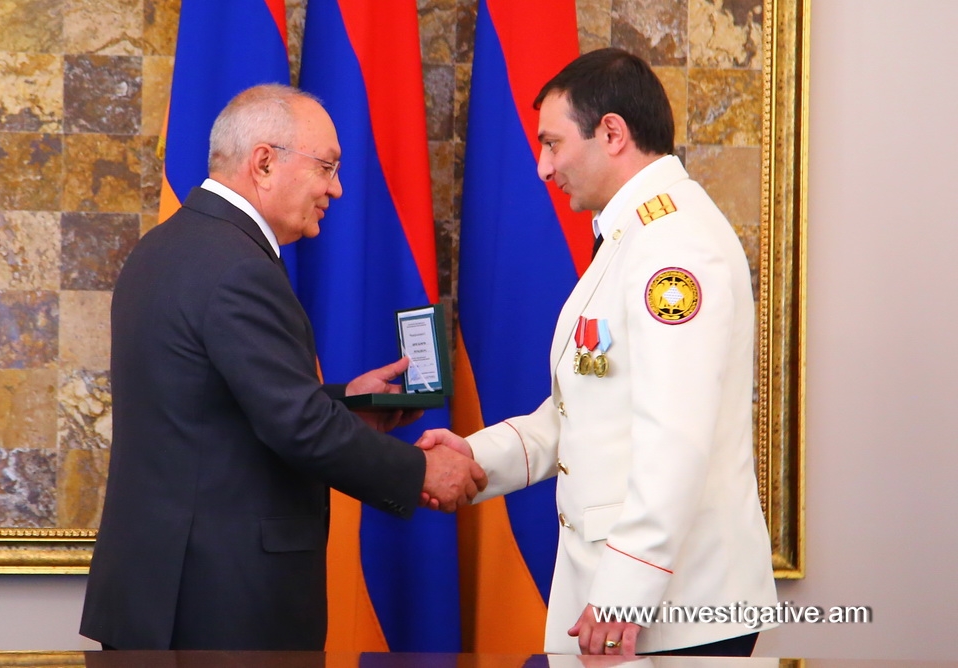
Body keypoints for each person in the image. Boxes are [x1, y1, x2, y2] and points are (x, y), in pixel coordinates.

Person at [79, 84, 487, 651]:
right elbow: (297, 425)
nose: (336, 188)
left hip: (155, 594)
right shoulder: (238, 266)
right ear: (264, 162)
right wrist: (420, 473)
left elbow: (208, 404)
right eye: (327, 166)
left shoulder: (164, 247)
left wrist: (341, 403)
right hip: (222, 605)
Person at [418, 49, 779, 656]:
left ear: (612, 133)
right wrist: (475, 457)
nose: (543, 167)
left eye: (553, 144)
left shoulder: (673, 246)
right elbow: (587, 412)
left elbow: (675, 435)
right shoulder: (632, 236)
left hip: (671, 611)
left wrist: (623, 594)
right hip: (634, 603)